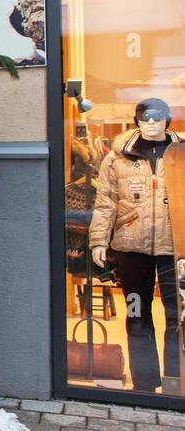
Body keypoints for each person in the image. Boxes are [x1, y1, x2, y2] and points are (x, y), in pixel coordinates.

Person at [89, 99, 181, 391]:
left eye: (157, 118)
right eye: (145, 118)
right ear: (137, 121)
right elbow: (105, 203)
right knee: (137, 316)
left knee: (177, 317)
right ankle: (144, 383)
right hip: (131, 251)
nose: (152, 123)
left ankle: (175, 382)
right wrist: (98, 241)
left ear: (168, 120)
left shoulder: (181, 155)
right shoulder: (117, 159)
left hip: (175, 249)